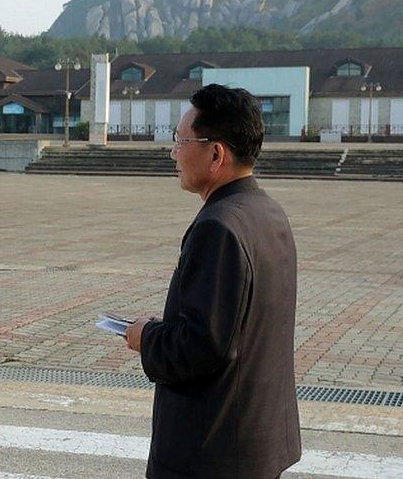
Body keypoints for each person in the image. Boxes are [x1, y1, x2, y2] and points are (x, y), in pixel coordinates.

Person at [124, 84, 301, 478]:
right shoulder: (268, 213)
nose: (173, 153)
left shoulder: (218, 227)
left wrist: (145, 336)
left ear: (216, 153)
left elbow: (202, 347)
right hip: (257, 439)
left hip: (212, 453)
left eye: (180, 141)